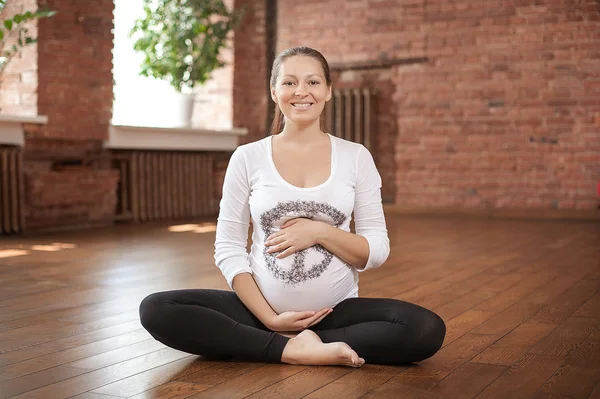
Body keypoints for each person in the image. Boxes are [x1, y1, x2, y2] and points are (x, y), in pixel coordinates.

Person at [139, 46, 446, 368]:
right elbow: (228, 247)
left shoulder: (356, 157)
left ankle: (278, 345)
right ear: (274, 92)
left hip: (335, 313)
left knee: (424, 329)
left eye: (313, 82)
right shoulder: (248, 157)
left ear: (328, 90)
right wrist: (271, 319)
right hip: (259, 311)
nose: (301, 92)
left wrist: (320, 231)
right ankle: (293, 348)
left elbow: (376, 250)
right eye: (289, 83)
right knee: (157, 308)